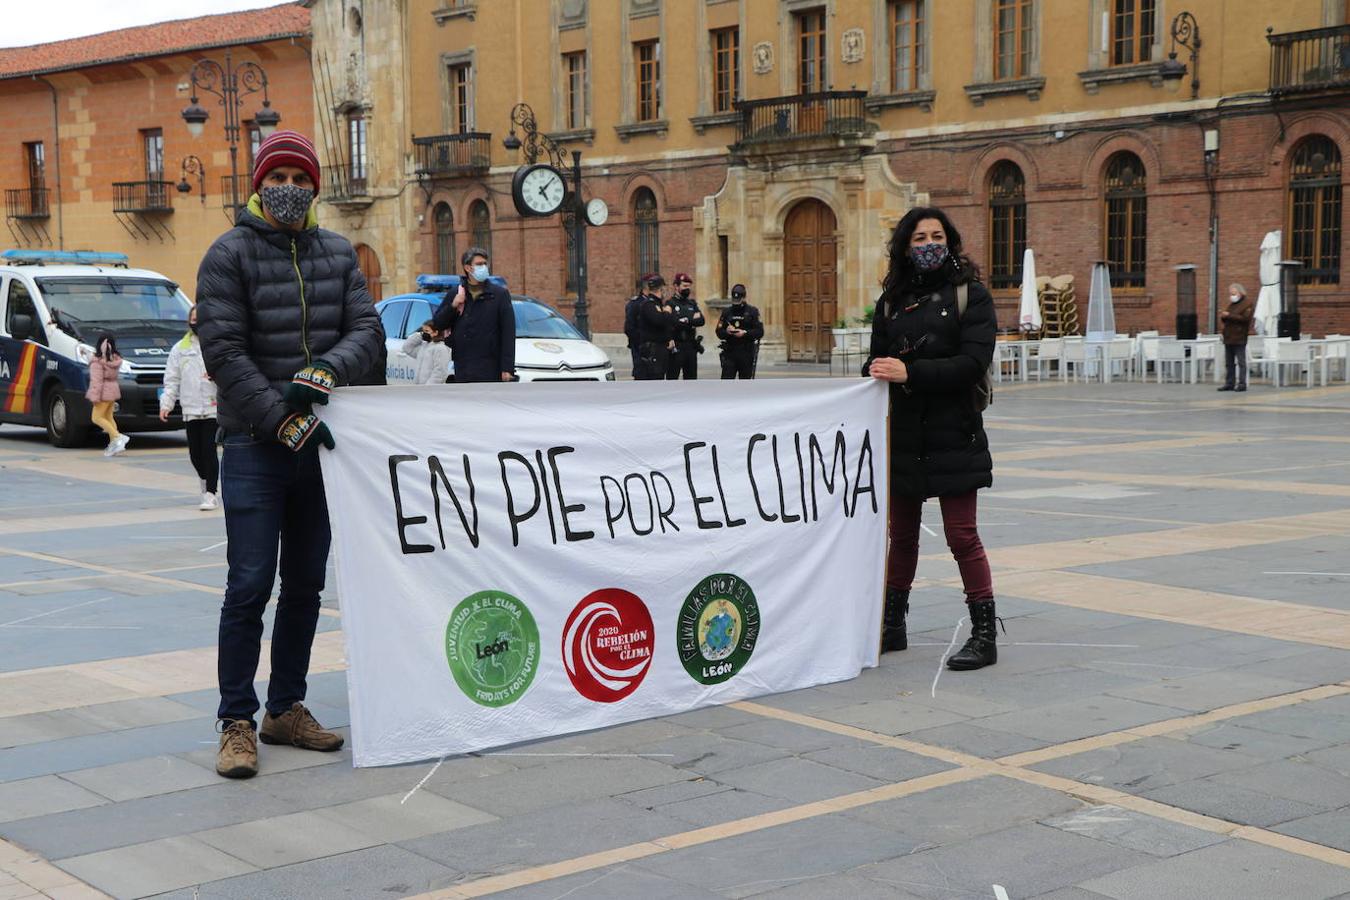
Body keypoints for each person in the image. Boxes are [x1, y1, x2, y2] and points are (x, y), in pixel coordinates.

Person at [196, 130, 383, 779]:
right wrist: (280, 420)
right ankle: (236, 722)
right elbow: (224, 352)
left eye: (302, 179)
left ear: (315, 187)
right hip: (253, 445)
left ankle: (286, 708)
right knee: (248, 585)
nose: (291, 189)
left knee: (305, 584)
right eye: (279, 176)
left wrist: (329, 368)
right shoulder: (228, 254)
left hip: (321, 450)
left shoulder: (335, 252)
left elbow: (369, 329)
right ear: (259, 181)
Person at [863, 206, 1000, 671]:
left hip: (954, 431)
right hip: (902, 435)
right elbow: (877, 358)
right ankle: (892, 624)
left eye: (936, 236)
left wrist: (910, 372)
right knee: (900, 537)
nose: (928, 245)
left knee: (962, 536)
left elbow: (972, 363)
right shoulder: (890, 301)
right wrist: (877, 370)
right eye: (919, 238)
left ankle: (984, 633)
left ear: (951, 240)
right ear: (905, 246)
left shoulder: (971, 296)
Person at [159, 306, 219, 509]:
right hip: (190, 408)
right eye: (192, 319)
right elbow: (172, 379)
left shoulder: (215, 345)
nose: (195, 323)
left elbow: (229, 372)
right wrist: (166, 403)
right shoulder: (180, 348)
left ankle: (211, 492)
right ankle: (204, 483)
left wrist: (216, 376)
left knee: (209, 451)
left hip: (212, 407)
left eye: (199, 319)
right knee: (195, 454)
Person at [432, 247, 515, 383]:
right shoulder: (456, 293)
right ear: (468, 268)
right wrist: (453, 305)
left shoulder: (499, 295)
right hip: (463, 366)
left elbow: (508, 333)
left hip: (490, 366)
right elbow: (438, 324)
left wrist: (507, 368)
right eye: (479, 264)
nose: (483, 267)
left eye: (484, 263)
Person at [86, 334, 129, 457]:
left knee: (96, 417)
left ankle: (117, 437)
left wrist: (94, 397)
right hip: (113, 391)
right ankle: (115, 445)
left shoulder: (97, 362)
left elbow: (96, 381)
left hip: (103, 393)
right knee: (109, 418)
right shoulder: (114, 360)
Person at [716, 284, 763, 379]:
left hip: (746, 352)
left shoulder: (752, 312)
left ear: (744, 297)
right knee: (726, 382)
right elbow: (719, 331)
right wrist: (727, 332)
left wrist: (745, 333)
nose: (736, 303)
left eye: (738, 299)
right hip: (730, 352)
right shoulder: (727, 312)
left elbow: (759, 332)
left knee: (745, 384)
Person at [635, 274, 677, 380]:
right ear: (661, 289)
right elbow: (658, 321)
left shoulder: (660, 304)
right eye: (664, 288)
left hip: (661, 350)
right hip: (652, 350)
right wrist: (666, 313)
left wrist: (669, 338)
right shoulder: (649, 305)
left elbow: (672, 322)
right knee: (655, 378)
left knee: (660, 376)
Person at [666, 272, 705, 379]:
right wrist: (691, 320)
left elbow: (701, 320)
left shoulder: (692, 304)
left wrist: (686, 321)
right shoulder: (670, 304)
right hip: (677, 346)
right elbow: (672, 322)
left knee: (691, 379)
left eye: (688, 286)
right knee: (672, 378)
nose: (687, 289)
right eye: (684, 286)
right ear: (676, 286)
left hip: (691, 346)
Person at [1218, 283, 1255, 393]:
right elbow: (1228, 317)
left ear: (1240, 293)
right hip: (1228, 336)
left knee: (1241, 362)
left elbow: (1245, 319)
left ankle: (1242, 383)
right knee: (1229, 362)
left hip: (1239, 337)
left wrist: (1229, 315)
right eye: (1231, 294)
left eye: (1233, 293)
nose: (1232, 296)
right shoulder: (1232, 304)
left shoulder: (1247, 304)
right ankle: (1229, 382)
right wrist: (1224, 317)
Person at [402, 319, 452, 385]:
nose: (424, 333)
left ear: (435, 332)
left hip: (429, 389)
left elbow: (440, 372)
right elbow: (407, 347)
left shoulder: (440, 348)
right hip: (419, 387)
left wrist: (428, 387)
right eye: (423, 331)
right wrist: (419, 335)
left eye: (427, 331)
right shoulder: (424, 347)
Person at [624, 278, 645, 379]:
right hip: (639, 346)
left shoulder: (654, 302)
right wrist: (640, 341)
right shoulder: (635, 304)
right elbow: (629, 327)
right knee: (640, 373)